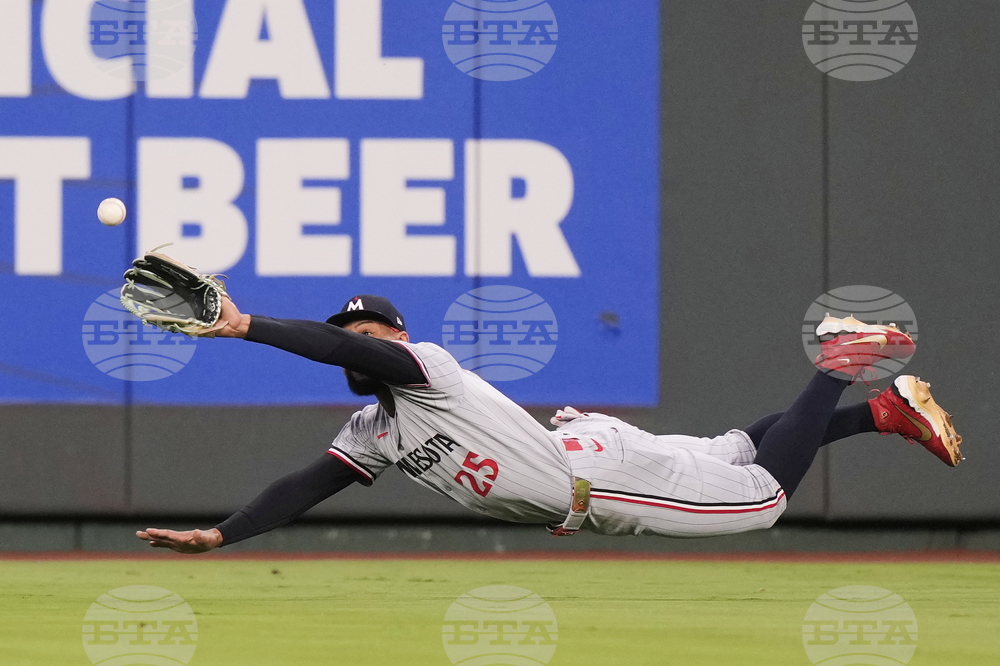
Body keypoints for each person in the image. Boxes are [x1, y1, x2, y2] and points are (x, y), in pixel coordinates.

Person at [137, 296, 962, 553]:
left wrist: (247, 327)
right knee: (736, 448)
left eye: (370, 331)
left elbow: (338, 349)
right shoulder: (373, 429)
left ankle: (840, 361)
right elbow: (307, 486)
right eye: (347, 332)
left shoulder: (425, 368)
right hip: (580, 451)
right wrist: (223, 534)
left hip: (597, 479)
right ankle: (883, 411)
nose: (358, 341)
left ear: (397, 338)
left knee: (762, 496)